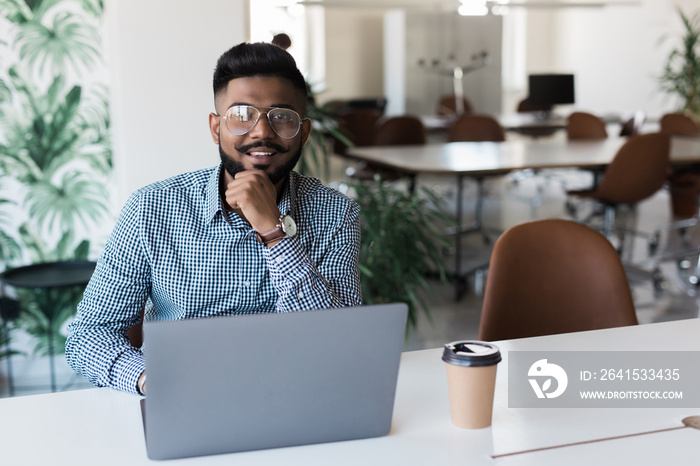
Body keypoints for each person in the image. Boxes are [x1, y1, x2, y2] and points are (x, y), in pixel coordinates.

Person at [65, 42, 362, 395]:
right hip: (184, 394)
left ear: (305, 132)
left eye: (282, 116)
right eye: (241, 115)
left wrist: (273, 231)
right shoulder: (152, 208)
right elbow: (90, 334)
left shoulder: (336, 212)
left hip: (297, 394)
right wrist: (152, 380)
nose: (262, 132)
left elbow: (339, 342)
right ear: (215, 128)